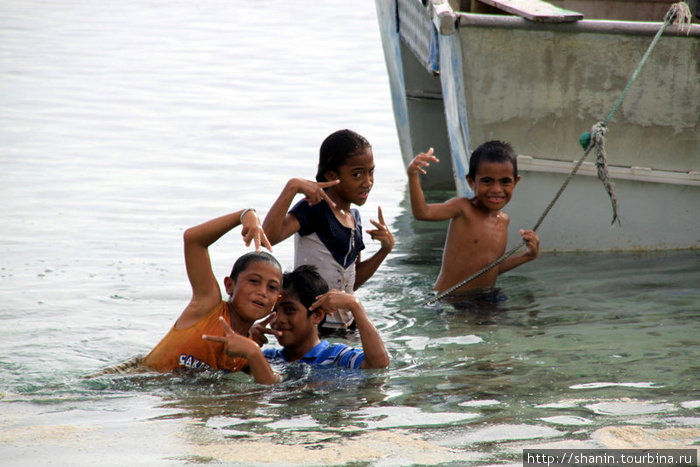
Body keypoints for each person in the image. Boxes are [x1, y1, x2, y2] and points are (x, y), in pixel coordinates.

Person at [262, 129, 394, 332]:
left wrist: (384, 250)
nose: (367, 182)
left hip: (345, 328)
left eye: (371, 172)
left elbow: (352, 282)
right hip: (311, 329)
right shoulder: (313, 209)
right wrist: (292, 187)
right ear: (332, 175)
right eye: (357, 174)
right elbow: (267, 237)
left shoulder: (354, 219)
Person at [141, 208, 283, 385]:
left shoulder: (247, 352)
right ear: (229, 285)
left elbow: (273, 384)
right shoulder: (208, 306)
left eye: (272, 287)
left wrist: (253, 351)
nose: (262, 291)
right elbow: (193, 240)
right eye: (254, 281)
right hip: (133, 384)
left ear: (277, 300)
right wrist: (244, 215)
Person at [205, 265, 389, 378]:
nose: (278, 320)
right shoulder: (268, 357)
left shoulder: (337, 356)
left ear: (317, 315)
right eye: (275, 311)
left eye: (290, 310)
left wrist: (355, 306)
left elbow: (378, 364)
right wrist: (246, 339)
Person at [407, 141, 539, 298]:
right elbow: (423, 213)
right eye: (487, 181)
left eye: (505, 181)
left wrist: (527, 256)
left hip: (486, 298)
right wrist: (413, 175)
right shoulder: (463, 209)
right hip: (452, 300)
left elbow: (491, 268)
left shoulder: (503, 221)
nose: (496, 189)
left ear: (515, 182)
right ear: (471, 182)